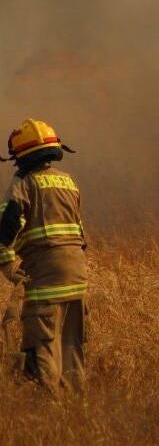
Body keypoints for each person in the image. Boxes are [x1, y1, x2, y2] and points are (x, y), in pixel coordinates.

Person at [0, 119, 87, 394]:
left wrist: (6, 263)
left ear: (22, 157)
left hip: (46, 279)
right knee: (72, 346)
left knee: (43, 348)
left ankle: (48, 410)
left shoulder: (23, 183)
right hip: (77, 277)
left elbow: (8, 227)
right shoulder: (68, 182)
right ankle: (78, 410)